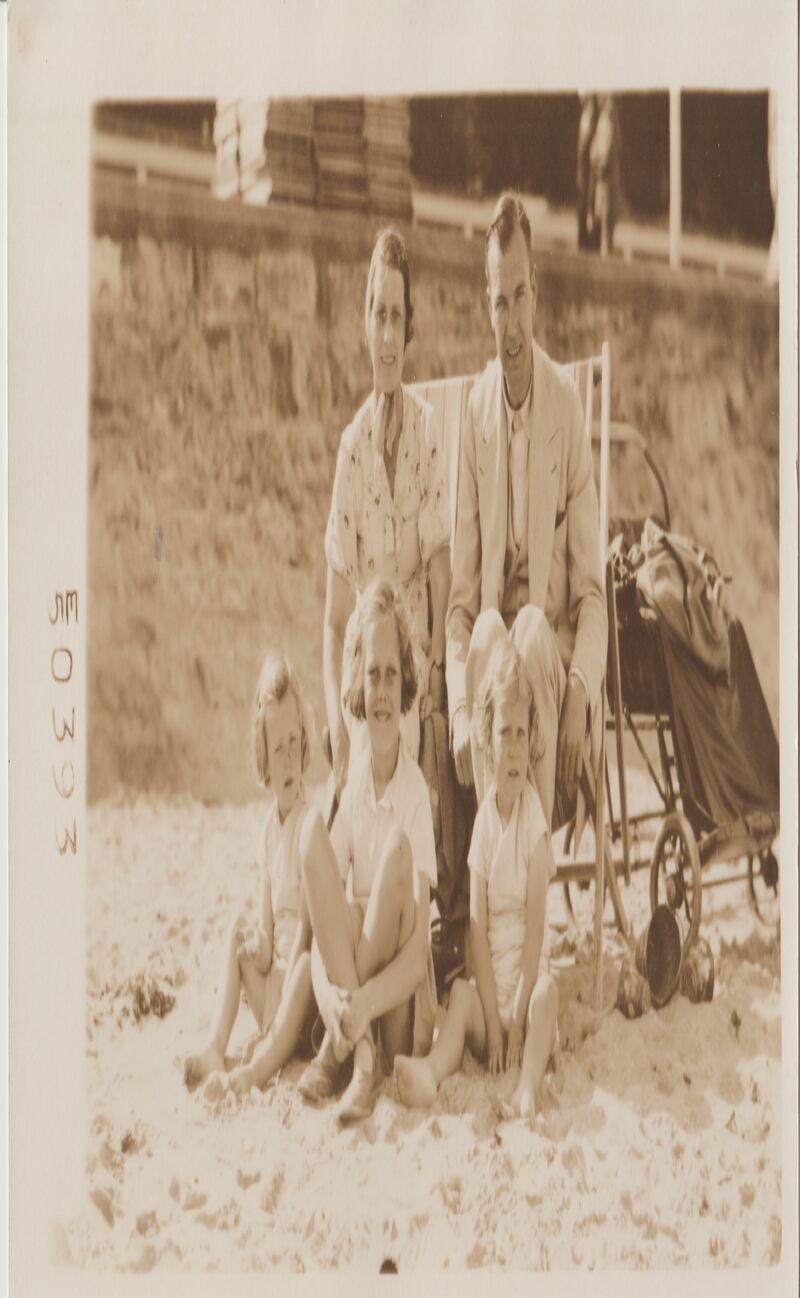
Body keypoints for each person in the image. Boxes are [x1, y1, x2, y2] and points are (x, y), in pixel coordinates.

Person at [446, 192, 608, 835]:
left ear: (536, 289)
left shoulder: (567, 409)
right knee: (489, 630)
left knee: (534, 627)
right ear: (485, 305)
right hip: (492, 693)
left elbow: (593, 594)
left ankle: (529, 870)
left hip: (551, 682)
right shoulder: (473, 415)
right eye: (497, 302)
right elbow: (460, 608)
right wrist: (460, 707)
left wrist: (580, 690)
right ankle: (499, 873)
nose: (510, 325)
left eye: (519, 296)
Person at [395, 638, 558, 1123]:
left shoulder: (535, 826)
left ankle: (528, 1086)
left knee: (550, 995)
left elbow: (533, 934)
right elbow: (476, 932)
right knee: (459, 995)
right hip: (492, 991)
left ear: (532, 742)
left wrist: (517, 1010)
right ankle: (434, 1069)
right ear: (486, 740)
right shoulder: (485, 825)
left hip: (526, 988)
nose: (513, 749)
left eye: (522, 735)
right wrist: (490, 1015)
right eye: (504, 733)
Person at [297, 580, 438, 1125]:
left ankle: (354, 1055)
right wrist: (330, 997)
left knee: (395, 855)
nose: (381, 692)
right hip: (354, 997)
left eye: (391, 676)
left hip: (394, 1004)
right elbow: (319, 922)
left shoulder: (415, 798)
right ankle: (359, 1057)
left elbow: (416, 956)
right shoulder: (354, 785)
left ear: (406, 689)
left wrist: (359, 1004)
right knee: (312, 833)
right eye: (372, 674)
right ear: (357, 681)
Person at [324, 228, 451, 794]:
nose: (387, 335)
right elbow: (332, 621)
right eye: (378, 315)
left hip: (414, 674)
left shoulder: (427, 433)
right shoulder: (351, 447)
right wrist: (334, 716)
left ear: (409, 330)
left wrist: (437, 680)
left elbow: (444, 584)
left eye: (397, 317)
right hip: (363, 676)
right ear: (364, 326)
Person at [183, 652, 316, 1096]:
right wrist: (257, 945)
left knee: (301, 968)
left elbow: (306, 939)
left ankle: (264, 1057)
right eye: (277, 747)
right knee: (237, 931)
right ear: (263, 753)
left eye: (295, 742)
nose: (288, 758)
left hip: (302, 995)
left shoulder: (309, 824)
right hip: (273, 989)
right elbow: (266, 933)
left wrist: (279, 995)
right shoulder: (266, 830)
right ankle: (216, 1045)